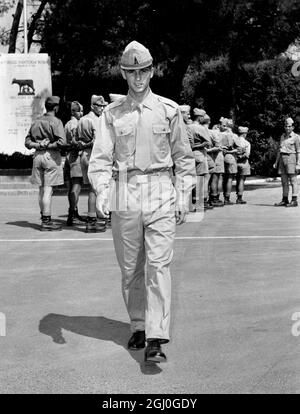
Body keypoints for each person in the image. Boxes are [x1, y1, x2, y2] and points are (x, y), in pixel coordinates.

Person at [88, 40, 196, 363]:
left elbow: (184, 159)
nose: (138, 78)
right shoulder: (111, 114)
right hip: (126, 191)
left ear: (152, 71)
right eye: (132, 72)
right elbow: (100, 159)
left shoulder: (169, 110)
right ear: (123, 73)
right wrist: (103, 191)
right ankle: (138, 323)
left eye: (143, 71)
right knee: (131, 268)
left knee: (159, 264)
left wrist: (185, 193)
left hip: (161, 189)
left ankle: (156, 336)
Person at [25, 96, 66, 231]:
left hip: (37, 156)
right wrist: (48, 144)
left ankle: (44, 216)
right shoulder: (56, 122)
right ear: (55, 107)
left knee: (41, 189)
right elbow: (62, 142)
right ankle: (47, 222)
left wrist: (38, 144)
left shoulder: (36, 121)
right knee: (48, 190)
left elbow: (27, 142)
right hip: (51, 156)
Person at [77, 95, 108, 232]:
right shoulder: (98, 121)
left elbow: (77, 140)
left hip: (84, 155)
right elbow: (98, 141)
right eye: (99, 106)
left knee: (92, 188)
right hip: (95, 156)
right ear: (92, 106)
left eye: (103, 106)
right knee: (96, 189)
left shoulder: (82, 119)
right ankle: (95, 221)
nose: (102, 108)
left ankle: (91, 220)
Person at [63, 101, 86, 226]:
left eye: (82, 111)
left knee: (71, 188)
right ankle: (72, 214)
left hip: (68, 157)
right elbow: (74, 141)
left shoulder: (67, 124)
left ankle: (74, 212)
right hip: (76, 157)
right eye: (79, 111)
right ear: (73, 111)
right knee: (76, 187)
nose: (81, 113)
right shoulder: (75, 124)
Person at [273, 117, 300, 207]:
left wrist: (298, 164)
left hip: (291, 158)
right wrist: (276, 162)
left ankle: (294, 200)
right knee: (284, 181)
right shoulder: (282, 136)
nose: (287, 128)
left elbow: (298, 151)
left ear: (292, 127)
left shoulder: (296, 137)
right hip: (282, 159)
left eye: (289, 126)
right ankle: (285, 200)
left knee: (293, 180)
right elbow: (279, 150)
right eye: (286, 126)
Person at [221, 118, 238, 205]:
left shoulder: (220, 134)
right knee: (230, 178)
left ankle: (220, 196)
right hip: (230, 156)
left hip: (221, 156)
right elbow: (239, 148)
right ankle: (227, 197)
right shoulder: (234, 136)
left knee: (223, 178)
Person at [234, 126, 251, 204]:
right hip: (243, 163)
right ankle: (239, 197)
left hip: (235, 162)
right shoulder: (247, 143)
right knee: (241, 180)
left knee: (236, 179)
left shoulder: (234, 141)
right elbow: (247, 155)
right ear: (244, 134)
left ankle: (228, 197)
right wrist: (241, 156)